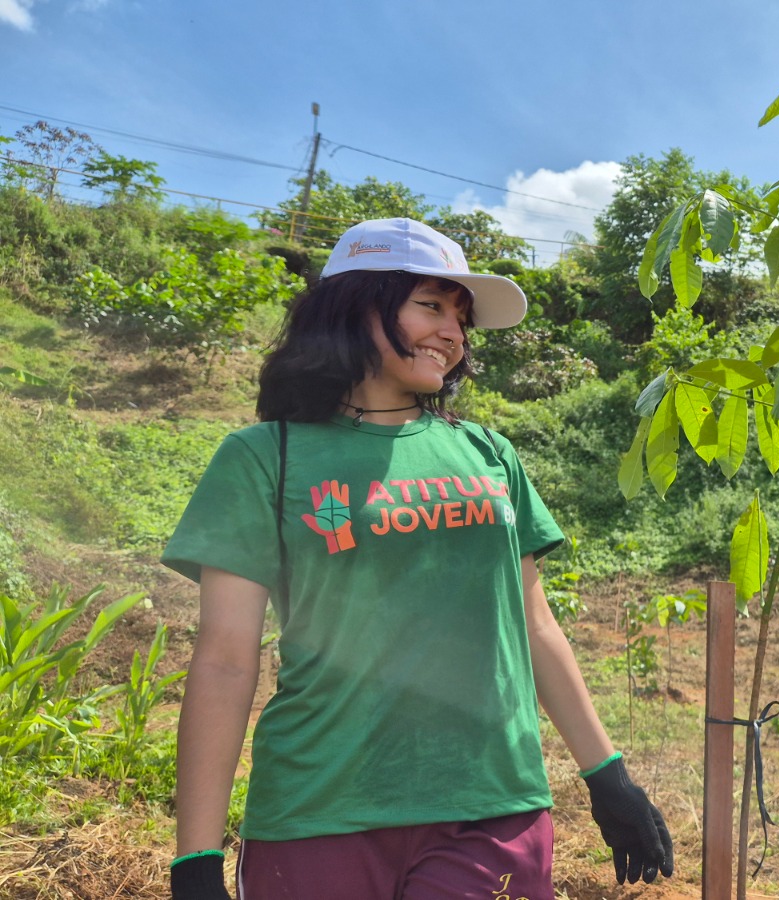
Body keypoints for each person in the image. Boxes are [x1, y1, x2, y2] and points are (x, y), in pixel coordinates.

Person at [162, 218, 672, 899]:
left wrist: (608, 775)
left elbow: (534, 624)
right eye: (431, 305)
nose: (452, 333)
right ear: (354, 307)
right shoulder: (265, 458)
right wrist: (196, 857)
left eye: (461, 318)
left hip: (491, 806)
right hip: (320, 810)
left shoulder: (488, 454)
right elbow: (226, 659)